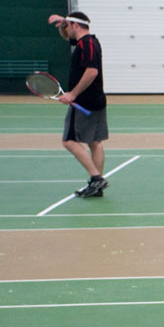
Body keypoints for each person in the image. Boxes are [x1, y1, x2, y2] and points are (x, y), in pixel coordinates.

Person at [47, 11, 109, 197]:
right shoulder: (89, 42)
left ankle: (96, 178)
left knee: (69, 141)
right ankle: (96, 185)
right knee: (94, 142)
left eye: (67, 26)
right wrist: (63, 22)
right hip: (96, 99)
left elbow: (92, 72)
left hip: (84, 102)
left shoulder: (86, 44)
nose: (65, 29)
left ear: (75, 25)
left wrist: (72, 94)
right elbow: (67, 36)